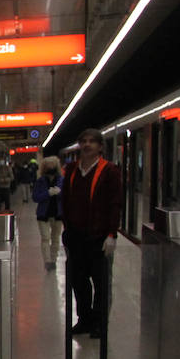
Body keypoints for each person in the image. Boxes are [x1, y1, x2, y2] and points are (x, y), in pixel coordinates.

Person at [62, 128, 123, 338]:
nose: (87, 145)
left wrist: (112, 234)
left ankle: (99, 323)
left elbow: (115, 204)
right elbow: (65, 201)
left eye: (92, 142)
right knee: (78, 282)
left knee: (101, 282)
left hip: (99, 237)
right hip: (76, 237)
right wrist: (66, 230)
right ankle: (85, 319)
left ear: (100, 147)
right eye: (84, 141)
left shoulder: (110, 171)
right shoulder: (71, 170)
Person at [33, 155, 63, 271]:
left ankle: (53, 259)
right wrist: (48, 193)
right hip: (43, 214)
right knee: (45, 238)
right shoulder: (40, 181)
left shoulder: (61, 180)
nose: (51, 167)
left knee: (55, 238)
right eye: (48, 165)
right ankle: (47, 261)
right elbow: (35, 197)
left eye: (53, 165)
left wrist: (59, 193)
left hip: (58, 213)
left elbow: (66, 195)